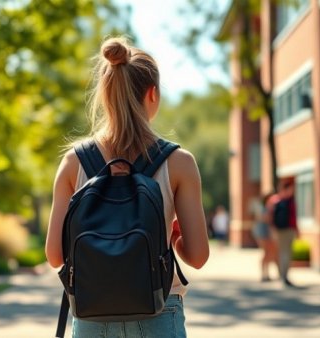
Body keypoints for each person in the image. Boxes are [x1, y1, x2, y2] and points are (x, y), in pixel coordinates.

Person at [45, 36, 210, 337]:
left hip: (93, 316)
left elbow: (55, 255)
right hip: (160, 312)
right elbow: (198, 256)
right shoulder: (179, 163)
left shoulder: (73, 163)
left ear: (106, 94)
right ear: (153, 94)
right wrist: (171, 240)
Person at [266, 180, 298, 287]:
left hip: (284, 230)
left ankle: (283, 275)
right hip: (284, 230)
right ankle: (284, 276)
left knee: (284, 253)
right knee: (285, 253)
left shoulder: (276, 200)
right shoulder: (284, 201)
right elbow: (270, 216)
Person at [251, 193, 278, 282]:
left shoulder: (267, 208)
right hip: (262, 233)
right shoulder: (264, 208)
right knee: (266, 253)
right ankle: (263, 274)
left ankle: (266, 274)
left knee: (269, 253)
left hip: (266, 233)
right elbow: (264, 219)